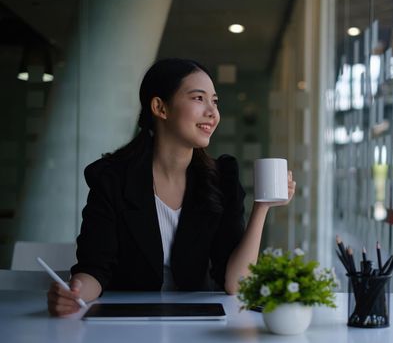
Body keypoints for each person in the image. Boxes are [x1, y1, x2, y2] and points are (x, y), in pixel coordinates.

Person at [47, 58, 295, 316]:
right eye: (199, 98)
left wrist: (262, 206)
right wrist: (73, 292)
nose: (212, 112)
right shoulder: (112, 178)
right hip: (127, 325)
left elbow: (236, 283)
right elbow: (94, 270)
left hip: (198, 326)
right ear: (160, 108)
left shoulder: (221, 179)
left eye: (215, 101)